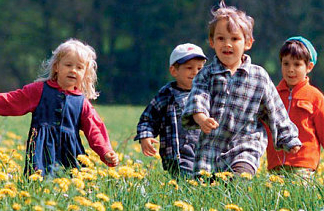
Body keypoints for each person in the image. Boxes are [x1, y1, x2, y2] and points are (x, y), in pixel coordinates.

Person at [182, 0, 301, 176]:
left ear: (248, 43)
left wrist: (288, 138)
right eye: (221, 38)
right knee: (204, 187)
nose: (227, 44)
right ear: (212, 42)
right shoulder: (206, 75)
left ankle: (240, 184)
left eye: (235, 39)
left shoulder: (259, 76)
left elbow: (275, 110)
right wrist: (201, 118)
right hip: (212, 145)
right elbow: (198, 96)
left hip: (246, 143)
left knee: (240, 179)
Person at [0, 38, 119, 177]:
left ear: (85, 73)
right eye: (68, 65)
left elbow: (95, 129)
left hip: (71, 154)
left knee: (71, 188)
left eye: (79, 67)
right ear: (56, 66)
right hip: (41, 152)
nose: (73, 70)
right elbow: (13, 101)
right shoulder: (38, 90)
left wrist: (105, 151)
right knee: (39, 184)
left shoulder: (82, 102)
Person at [135, 43, 207, 177]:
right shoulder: (166, 96)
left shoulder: (207, 94)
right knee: (187, 184)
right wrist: (146, 136)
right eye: (189, 68)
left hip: (206, 153)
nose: (195, 72)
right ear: (174, 71)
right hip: (177, 156)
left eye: (200, 68)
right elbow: (148, 120)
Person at [266, 36, 324, 174]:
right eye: (286, 64)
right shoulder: (272, 95)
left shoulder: (315, 97)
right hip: (276, 165)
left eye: (297, 65)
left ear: (309, 67)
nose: (290, 69)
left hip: (303, 165)